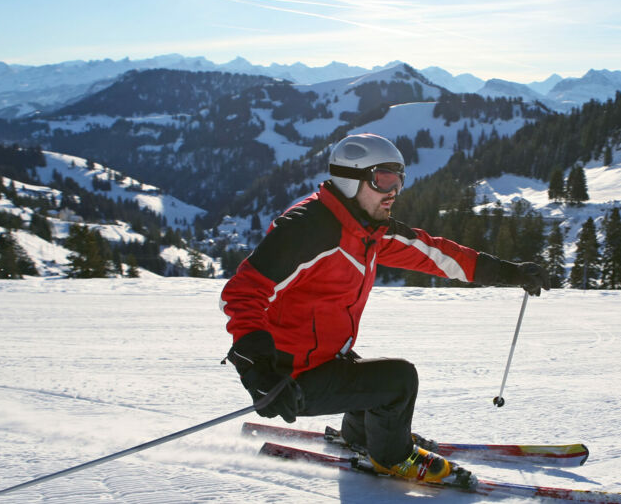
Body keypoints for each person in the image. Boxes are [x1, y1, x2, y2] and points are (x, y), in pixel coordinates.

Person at [221, 133, 548, 484]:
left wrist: (509, 272)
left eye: (399, 180)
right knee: (399, 381)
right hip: (285, 379)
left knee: (364, 371)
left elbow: (435, 253)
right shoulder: (308, 229)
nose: (393, 191)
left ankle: (364, 436)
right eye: (384, 180)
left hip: (321, 359)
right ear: (351, 180)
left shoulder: (367, 231)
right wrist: (258, 369)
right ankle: (392, 458)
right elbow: (243, 291)